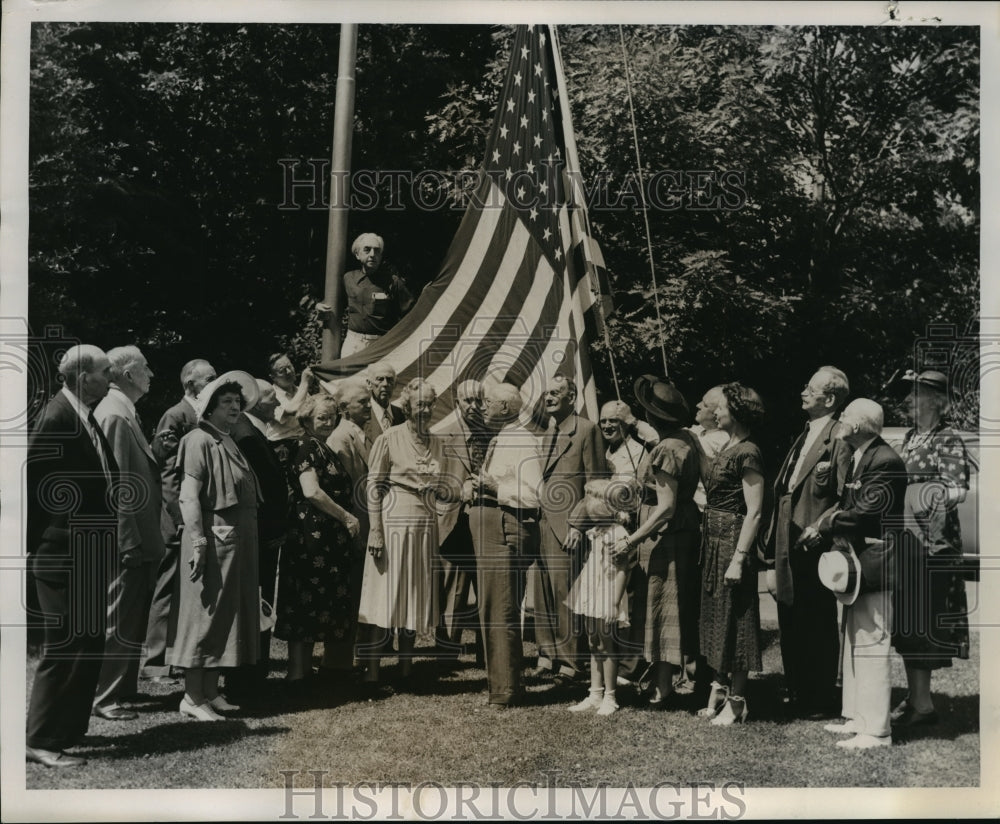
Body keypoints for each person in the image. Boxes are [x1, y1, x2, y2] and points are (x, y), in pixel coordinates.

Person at [26, 345, 116, 768]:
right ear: (83, 377)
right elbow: (34, 490)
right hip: (63, 552)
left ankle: (67, 730)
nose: (110, 377)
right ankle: (40, 738)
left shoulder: (85, 416)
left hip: (90, 550)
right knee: (63, 645)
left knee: (89, 640)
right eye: (104, 371)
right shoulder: (57, 418)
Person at [805, 398, 907, 749]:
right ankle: (858, 717)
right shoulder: (862, 455)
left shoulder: (886, 461)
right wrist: (831, 520)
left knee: (872, 644)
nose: (841, 421)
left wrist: (823, 523)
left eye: (846, 415)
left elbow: (863, 512)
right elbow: (848, 504)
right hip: (858, 559)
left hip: (877, 560)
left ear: (859, 425)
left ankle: (877, 731)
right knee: (855, 639)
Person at [166, 371, 261, 721]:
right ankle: (191, 697)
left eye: (238, 402)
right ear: (209, 406)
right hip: (213, 541)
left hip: (233, 543)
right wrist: (199, 542)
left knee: (224, 617)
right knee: (204, 617)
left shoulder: (227, 438)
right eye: (227, 402)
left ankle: (209, 691)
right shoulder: (197, 439)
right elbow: (188, 496)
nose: (235, 407)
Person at [761, 367, 852, 719]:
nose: (803, 392)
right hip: (788, 538)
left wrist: (822, 524)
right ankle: (797, 690)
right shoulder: (804, 433)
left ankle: (820, 697)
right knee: (789, 613)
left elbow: (846, 496)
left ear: (828, 399)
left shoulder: (839, 436)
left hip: (814, 544)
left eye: (810, 388)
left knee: (816, 619)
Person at [357, 379, 461, 685]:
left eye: (429, 404)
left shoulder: (439, 442)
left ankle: (406, 669)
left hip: (424, 525)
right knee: (385, 595)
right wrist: (375, 530)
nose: (425, 410)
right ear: (407, 406)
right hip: (393, 522)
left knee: (414, 595)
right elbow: (373, 488)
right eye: (419, 404)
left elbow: (443, 485)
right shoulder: (389, 438)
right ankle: (373, 672)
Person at [614, 376, 702, 706]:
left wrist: (632, 540)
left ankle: (664, 684)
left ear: (653, 417)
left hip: (666, 533)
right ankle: (662, 676)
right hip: (684, 527)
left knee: (663, 605)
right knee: (669, 605)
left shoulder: (667, 449)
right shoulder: (687, 438)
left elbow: (665, 507)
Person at [891, 370, 971, 727]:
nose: (910, 399)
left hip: (932, 546)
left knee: (922, 619)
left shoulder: (947, 439)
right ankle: (915, 698)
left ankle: (923, 705)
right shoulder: (910, 438)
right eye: (910, 393)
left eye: (918, 393)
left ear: (937, 401)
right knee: (909, 620)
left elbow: (958, 490)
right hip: (908, 541)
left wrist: (920, 497)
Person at [92, 346, 168, 721]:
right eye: (145, 368)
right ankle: (104, 697)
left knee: (130, 615)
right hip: (129, 538)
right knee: (118, 617)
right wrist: (127, 540)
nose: (151, 374)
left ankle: (120, 689)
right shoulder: (115, 414)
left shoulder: (123, 411)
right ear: (126, 375)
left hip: (140, 534)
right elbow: (116, 484)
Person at [275, 392, 362, 687]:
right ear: (307, 419)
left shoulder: (322, 447)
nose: (327, 421)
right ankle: (297, 674)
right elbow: (311, 491)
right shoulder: (305, 446)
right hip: (309, 537)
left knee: (315, 602)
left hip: (324, 536)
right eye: (321, 417)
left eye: (331, 416)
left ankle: (304, 672)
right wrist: (346, 517)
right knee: (304, 602)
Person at [469, 382, 543, 708]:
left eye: (488, 402)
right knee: (492, 606)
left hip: (506, 526)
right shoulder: (504, 437)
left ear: (505, 408)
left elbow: (533, 494)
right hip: (493, 526)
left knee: (501, 608)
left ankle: (506, 690)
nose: (482, 406)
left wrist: (493, 485)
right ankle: (502, 685)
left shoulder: (523, 441)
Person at [143, 358, 216, 682]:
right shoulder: (176, 416)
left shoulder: (202, 417)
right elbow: (169, 474)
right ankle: (156, 662)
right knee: (167, 588)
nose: (213, 384)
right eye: (208, 379)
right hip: (177, 519)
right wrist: (178, 518)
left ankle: (177, 656)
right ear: (190, 384)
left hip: (194, 517)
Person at [698, 382, 766, 726]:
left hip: (732, 541)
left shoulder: (748, 451)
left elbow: (754, 511)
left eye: (722, 408)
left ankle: (738, 701)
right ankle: (720, 690)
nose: (716, 412)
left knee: (736, 620)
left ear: (736, 412)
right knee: (717, 617)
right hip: (713, 540)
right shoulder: (727, 446)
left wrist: (740, 557)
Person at [531, 375, 607, 683]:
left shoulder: (587, 430)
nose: (549, 398)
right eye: (547, 393)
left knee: (566, 592)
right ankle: (546, 655)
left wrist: (579, 522)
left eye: (556, 393)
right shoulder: (547, 431)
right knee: (542, 591)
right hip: (541, 523)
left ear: (571, 398)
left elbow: (596, 483)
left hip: (569, 527)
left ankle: (571, 662)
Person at [227, 379, 289, 699]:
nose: (277, 405)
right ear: (256, 402)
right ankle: (251, 675)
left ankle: (254, 670)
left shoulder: (250, 431)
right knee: (257, 604)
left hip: (262, 533)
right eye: (272, 399)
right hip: (260, 534)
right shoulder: (246, 434)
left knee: (259, 604)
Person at [564, 480, 638, 716]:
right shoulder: (597, 531)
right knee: (594, 642)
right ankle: (595, 693)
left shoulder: (618, 533)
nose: (588, 504)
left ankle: (610, 696)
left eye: (592, 499)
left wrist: (614, 603)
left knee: (606, 645)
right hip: (592, 591)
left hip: (607, 594)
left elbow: (624, 569)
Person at [435, 380, 492, 661]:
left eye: (478, 400)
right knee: (454, 591)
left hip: (488, 522)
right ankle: (447, 652)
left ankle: (487, 653)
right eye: (467, 400)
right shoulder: (443, 438)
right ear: (458, 403)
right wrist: (460, 491)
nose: (473, 406)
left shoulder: (494, 436)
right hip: (455, 523)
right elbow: (434, 486)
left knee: (487, 588)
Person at [323, 378, 374, 673]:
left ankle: (350, 659)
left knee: (357, 594)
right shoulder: (340, 438)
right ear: (343, 408)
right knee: (346, 596)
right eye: (362, 402)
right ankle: (337, 664)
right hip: (353, 525)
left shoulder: (358, 433)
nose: (368, 406)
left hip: (363, 523)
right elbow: (341, 488)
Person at [342, 233, 415, 356]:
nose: (372, 254)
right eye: (367, 249)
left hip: (381, 344)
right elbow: (336, 302)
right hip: (353, 342)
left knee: (381, 375)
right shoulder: (348, 278)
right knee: (347, 375)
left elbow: (412, 313)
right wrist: (321, 305)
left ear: (381, 256)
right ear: (357, 254)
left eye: (377, 251)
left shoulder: (393, 282)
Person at [265, 353, 313, 472]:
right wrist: (305, 383)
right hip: (283, 448)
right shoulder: (270, 395)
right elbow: (292, 409)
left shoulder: (300, 391)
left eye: (289, 367)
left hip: (306, 441)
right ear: (273, 377)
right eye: (282, 370)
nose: (288, 372)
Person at [689, 385, 730, 513]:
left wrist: (633, 421)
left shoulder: (722, 441)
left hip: (709, 515)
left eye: (705, 405)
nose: (698, 405)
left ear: (716, 414)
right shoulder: (700, 431)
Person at [600, 400, 648, 481]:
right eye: (603, 421)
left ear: (626, 423)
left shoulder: (637, 452)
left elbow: (622, 488)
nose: (607, 426)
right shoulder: (601, 449)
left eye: (612, 420)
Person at [363, 360, 405, 446]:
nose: (385, 384)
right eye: (380, 379)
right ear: (369, 384)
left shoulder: (403, 415)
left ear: (395, 384)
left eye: (390, 380)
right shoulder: (361, 415)